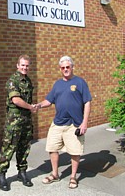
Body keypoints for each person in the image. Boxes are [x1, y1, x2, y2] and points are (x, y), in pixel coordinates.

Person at [37, 55, 92, 189]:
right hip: (58, 123)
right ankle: (55, 174)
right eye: (63, 68)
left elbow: (87, 102)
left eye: (68, 67)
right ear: (60, 69)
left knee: (74, 151)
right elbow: (49, 100)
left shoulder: (80, 82)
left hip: (74, 124)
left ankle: (73, 177)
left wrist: (84, 122)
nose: (66, 69)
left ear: (72, 67)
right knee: (52, 148)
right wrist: (38, 105)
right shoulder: (57, 84)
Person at [0, 54, 38, 191]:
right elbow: (16, 100)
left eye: (27, 65)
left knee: (24, 147)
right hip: (14, 121)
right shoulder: (12, 80)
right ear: (17, 66)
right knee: (9, 148)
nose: (25, 67)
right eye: (23, 65)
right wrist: (31, 107)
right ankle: (1, 175)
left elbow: (26, 99)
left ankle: (22, 173)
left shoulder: (28, 81)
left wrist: (31, 107)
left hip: (26, 120)